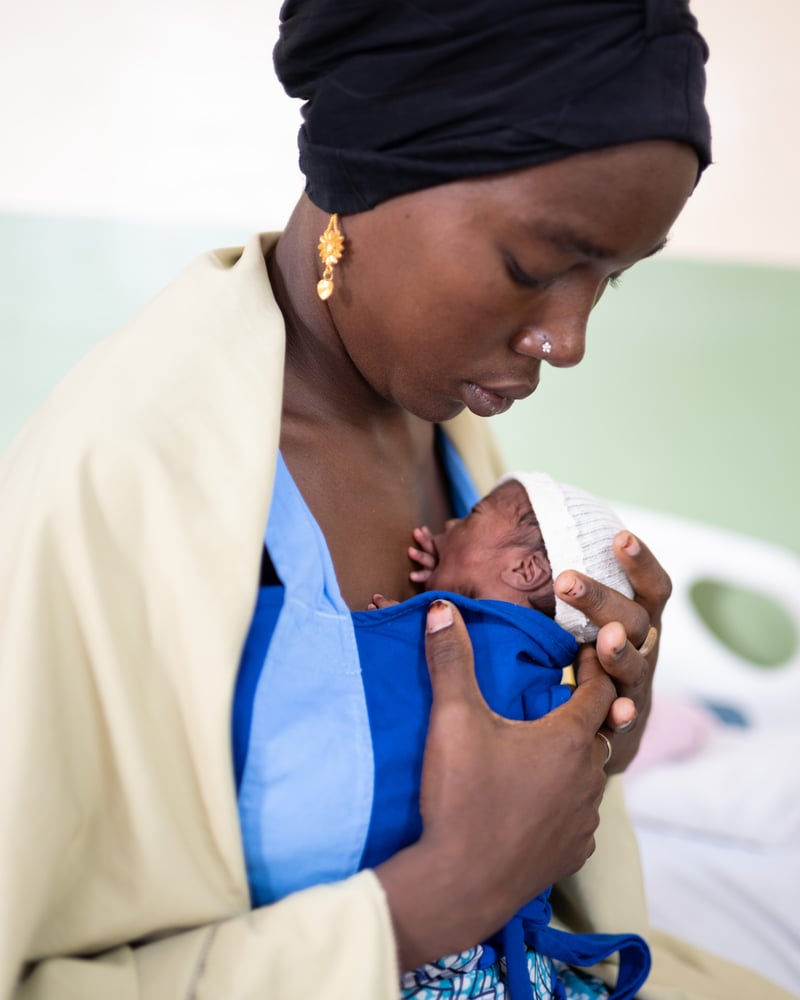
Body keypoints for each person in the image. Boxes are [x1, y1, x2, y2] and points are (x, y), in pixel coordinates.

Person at [0, 1, 793, 998]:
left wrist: (595, 725)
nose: (570, 339)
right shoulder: (119, 480)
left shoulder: (436, 420)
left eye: (610, 280)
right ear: (364, 180)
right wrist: (442, 893)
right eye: (534, 267)